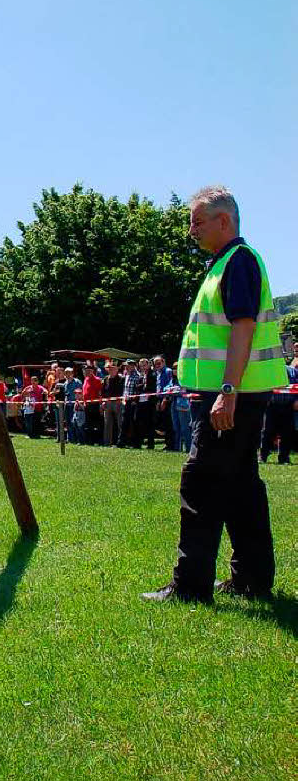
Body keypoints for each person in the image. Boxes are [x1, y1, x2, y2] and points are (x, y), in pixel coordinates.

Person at [142, 186, 287, 603]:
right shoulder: (226, 263)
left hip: (228, 398)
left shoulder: (237, 262)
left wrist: (227, 391)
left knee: (201, 483)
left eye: (197, 221)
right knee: (242, 486)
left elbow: (242, 329)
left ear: (224, 221)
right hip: (238, 395)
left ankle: (190, 587)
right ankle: (251, 579)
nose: (191, 230)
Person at [259, 361, 298, 465]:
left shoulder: (293, 371)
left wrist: (297, 400)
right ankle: (263, 457)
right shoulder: (268, 371)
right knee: (267, 432)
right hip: (271, 406)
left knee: (287, 433)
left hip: (288, 406)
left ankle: (284, 458)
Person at [117, 358, 141, 447]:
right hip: (126, 402)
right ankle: (121, 442)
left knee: (133, 423)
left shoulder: (138, 376)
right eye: (125, 366)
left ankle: (135, 443)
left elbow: (138, 390)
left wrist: (135, 400)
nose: (126, 367)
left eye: (127, 366)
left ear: (133, 366)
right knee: (124, 422)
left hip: (133, 402)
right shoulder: (126, 375)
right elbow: (125, 389)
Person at [134, 357, 156, 450]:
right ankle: (138, 443)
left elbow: (151, 387)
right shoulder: (140, 375)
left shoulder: (153, 374)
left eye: (144, 365)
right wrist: (142, 386)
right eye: (141, 365)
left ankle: (150, 444)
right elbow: (138, 387)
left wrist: (143, 387)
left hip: (149, 402)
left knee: (149, 423)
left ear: (148, 365)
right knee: (138, 422)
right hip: (140, 402)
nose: (143, 367)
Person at [153, 355, 175, 450]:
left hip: (167, 399)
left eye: (159, 363)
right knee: (164, 423)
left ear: (163, 362)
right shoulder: (158, 373)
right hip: (159, 399)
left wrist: (165, 400)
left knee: (169, 423)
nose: (157, 365)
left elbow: (170, 386)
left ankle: (170, 445)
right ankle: (167, 443)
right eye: (155, 364)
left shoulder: (168, 371)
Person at [101, 361, 124, 446]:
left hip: (118, 402)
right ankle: (107, 442)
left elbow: (122, 391)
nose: (111, 370)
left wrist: (120, 400)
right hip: (108, 403)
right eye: (109, 369)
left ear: (117, 369)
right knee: (107, 423)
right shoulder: (105, 379)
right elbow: (103, 392)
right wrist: (103, 401)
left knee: (119, 423)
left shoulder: (121, 379)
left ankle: (120, 442)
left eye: (113, 369)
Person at [82, 363, 103, 444]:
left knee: (97, 424)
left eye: (89, 371)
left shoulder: (97, 380)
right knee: (88, 424)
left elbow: (100, 393)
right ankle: (89, 441)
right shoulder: (85, 379)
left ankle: (98, 441)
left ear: (92, 371)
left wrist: (101, 405)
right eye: (85, 371)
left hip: (95, 405)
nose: (87, 372)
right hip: (87, 405)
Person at [63, 367, 82, 441]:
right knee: (68, 423)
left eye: (69, 373)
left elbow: (80, 392)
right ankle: (70, 439)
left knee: (75, 422)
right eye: (66, 373)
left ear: (72, 374)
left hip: (75, 405)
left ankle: (77, 438)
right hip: (67, 405)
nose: (68, 375)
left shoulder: (77, 382)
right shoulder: (65, 383)